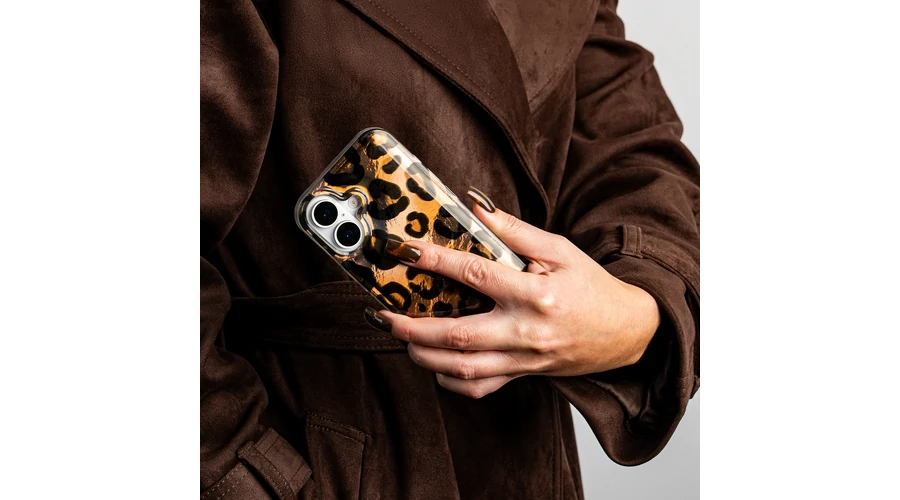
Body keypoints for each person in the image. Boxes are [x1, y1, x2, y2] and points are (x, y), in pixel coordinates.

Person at [200, 0, 700, 498]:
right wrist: (255, 481)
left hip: (523, 452)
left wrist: (636, 314)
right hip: (321, 446)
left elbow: (632, 146)